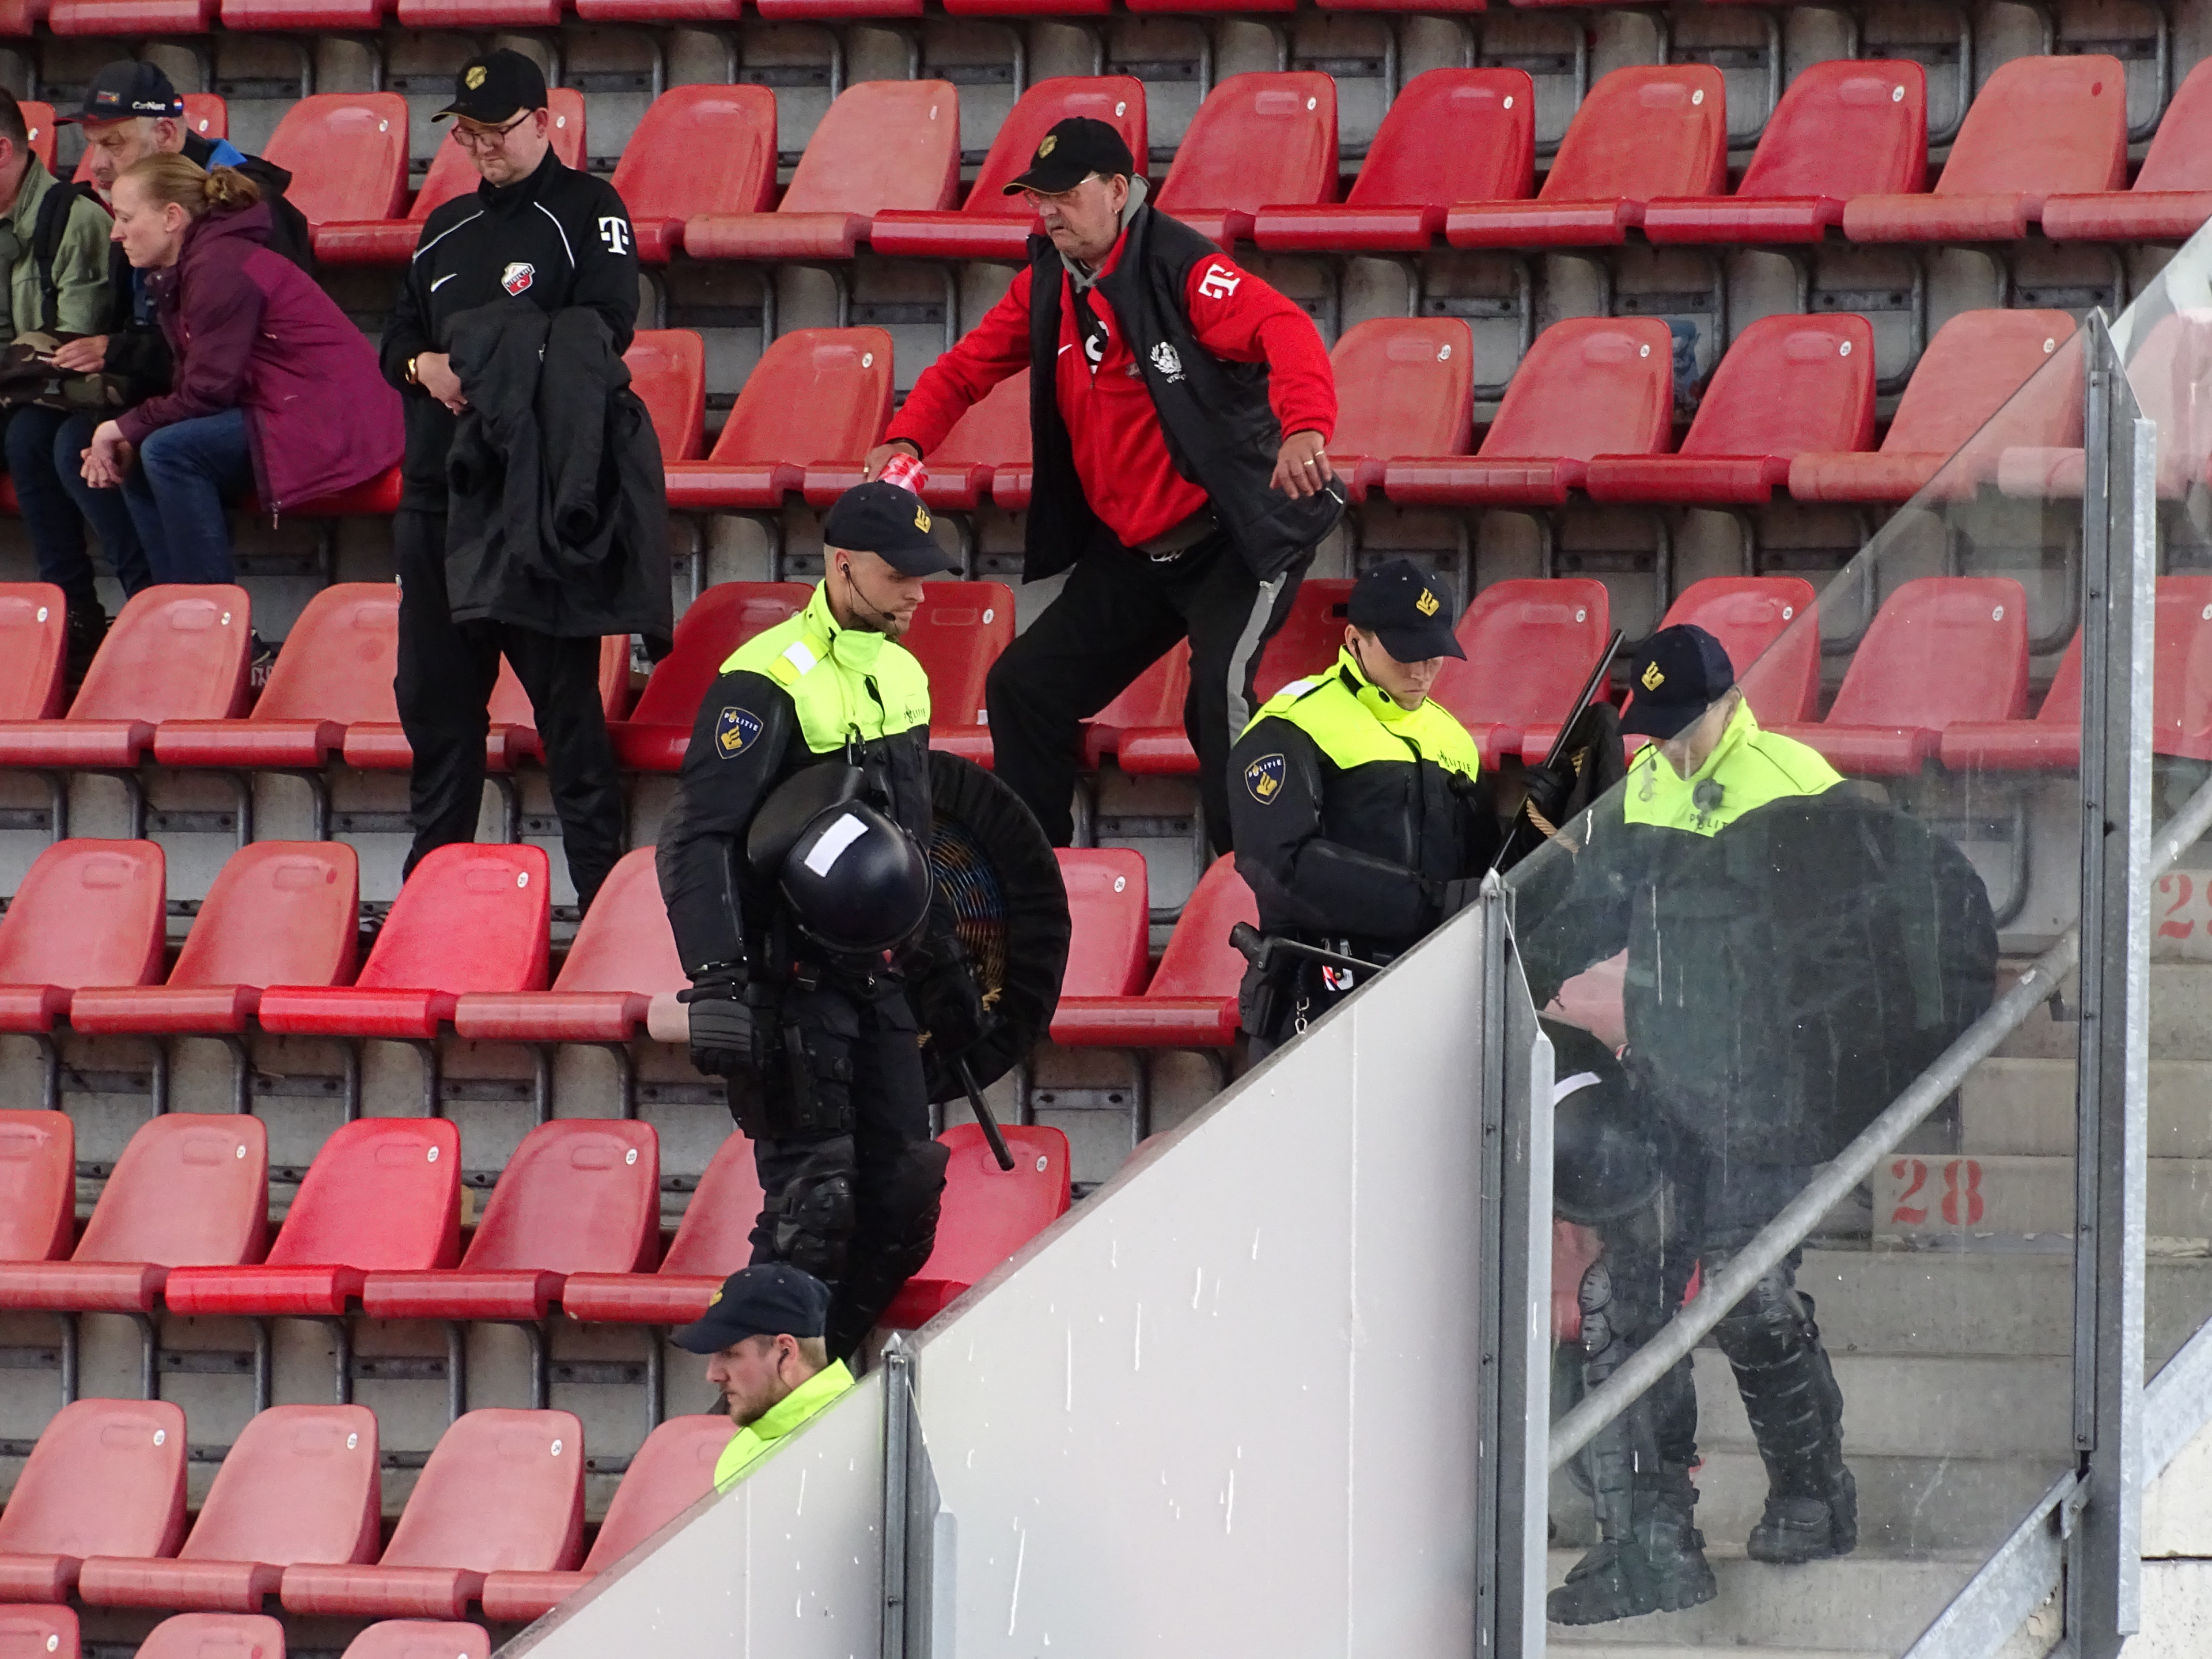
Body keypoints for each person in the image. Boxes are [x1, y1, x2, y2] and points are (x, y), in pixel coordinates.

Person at [863, 116, 1343, 856]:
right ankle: (1035, 889)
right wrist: (904, 439)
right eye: (1035, 197)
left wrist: (1306, 425)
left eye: (1063, 194)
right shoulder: (1045, 285)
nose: (1047, 211)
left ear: (1118, 191)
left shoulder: (1184, 267)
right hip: (1136, 554)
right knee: (1023, 691)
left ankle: (1250, 897)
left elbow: (1285, 326)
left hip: (1233, 538)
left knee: (1217, 701)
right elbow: (963, 370)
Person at [1522, 624, 1857, 1624]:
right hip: (1666, 1080)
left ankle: (1813, 1491)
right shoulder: (1648, 790)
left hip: (1772, 1093)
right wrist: (1505, 968)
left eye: (1681, 727)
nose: (1664, 746)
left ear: (1725, 704)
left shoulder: (1799, 784)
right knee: (1630, 1302)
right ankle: (1652, 1543)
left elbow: (1859, 952)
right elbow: (1588, 911)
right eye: (1654, 731)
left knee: (1749, 1295)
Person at [658, 482, 986, 1365]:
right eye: (901, 575)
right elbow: (698, 840)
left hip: (880, 978)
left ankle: (825, 1383)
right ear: (841, 565)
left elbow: (913, 845)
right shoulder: (763, 677)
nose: (920, 593)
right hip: (789, 986)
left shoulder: (904, 672)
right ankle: (756, 1414)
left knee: (907, 1192)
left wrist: (944, 966)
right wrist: (721, 978)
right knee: (815, 1205)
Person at [380, 48, 644, 916]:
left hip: (529, 500)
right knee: (437, 713)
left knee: (567, 717)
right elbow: (395, 342)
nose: (480, 148)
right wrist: (428, 368)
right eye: (466, 133)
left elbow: (604, 331)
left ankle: (605, 904)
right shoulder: (445, 227)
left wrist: (487, 361)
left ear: (542, 122)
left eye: (494, 132)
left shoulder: (589, 210)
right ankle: (432, 904)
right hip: (436, 500)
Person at [80, 157, 400, 593]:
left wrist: (117, 427)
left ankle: (212, 622)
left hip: (335, 420)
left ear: (173, 217)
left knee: (167, 452)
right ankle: (163, 614)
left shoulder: (219, 267)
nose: (116, 233)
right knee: (139, 452)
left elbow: (207, 392)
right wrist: (125, 434)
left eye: (126, 218)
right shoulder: (200, 262)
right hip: (290, 409)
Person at [1226, 560, 1499, 1054]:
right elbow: (1279, 865)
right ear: (1355, 640)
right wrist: (1431, 903)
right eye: (1405, 653)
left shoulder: (1453, 738)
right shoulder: (1293, 723)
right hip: (1316, 999)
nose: (1421, 671)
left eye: (1434, 653)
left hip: (1432, 999)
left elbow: (1481, 870)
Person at [0, 86, 137, 680]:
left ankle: (79, 610)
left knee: (36, 439)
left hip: (72, 392)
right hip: (15, 388)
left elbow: (68, 345)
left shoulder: (73, 219)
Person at [671, 1264, 856, 1491]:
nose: (713, 1375)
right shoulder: (768, 1426)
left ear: (786, 1352)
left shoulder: (838, 1450)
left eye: (730, 1353)